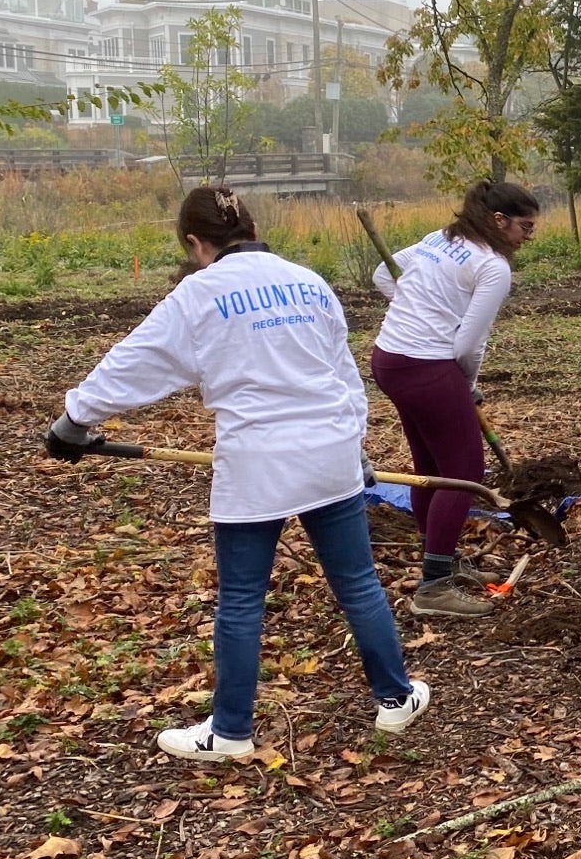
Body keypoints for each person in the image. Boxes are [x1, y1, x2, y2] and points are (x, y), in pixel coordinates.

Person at [44, 186, 429, 762]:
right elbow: (343, 375)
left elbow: (135, 360)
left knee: (243, 599)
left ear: (197, 243)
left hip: (257, 464)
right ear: (250, 226)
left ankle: (230, 733)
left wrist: (74, 420)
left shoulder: (199, 294)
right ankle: (396, 699)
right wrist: (354, 447)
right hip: (328, 453)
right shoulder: (309, 281)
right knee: (357, 583)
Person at [370, 179, 540, 615]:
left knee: (433, 468)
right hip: (427, 367)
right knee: (465, 469)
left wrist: (416, 309)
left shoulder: (439, 239)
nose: (529, 234)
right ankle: (433, 588)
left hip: (390, 360)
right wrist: (464, 384)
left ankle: (440, 558)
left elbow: (379, 275)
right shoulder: (493, 267)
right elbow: (468, 345)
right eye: (525, 225)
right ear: (499, 220)